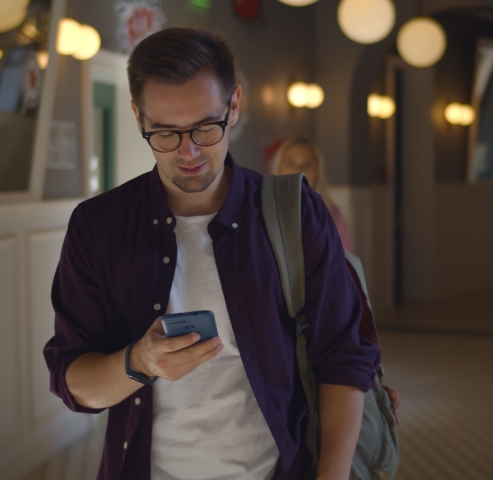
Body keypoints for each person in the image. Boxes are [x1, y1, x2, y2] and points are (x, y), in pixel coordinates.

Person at [43, 28, 380, 480]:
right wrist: (138, 362)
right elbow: (73, 379)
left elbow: (343, 356)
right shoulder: (98, 226)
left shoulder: (295, 212)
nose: (190, 152)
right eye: (165, 132)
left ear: (234, 106)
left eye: (205, 127)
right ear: (138, 118)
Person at [270, 139, 354, 253]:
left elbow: (345, 265)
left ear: (317, 172)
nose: (299, 170)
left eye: (307, 164)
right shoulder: (263, 212)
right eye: (291, 163)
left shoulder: (334, 216)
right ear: (279, 168)